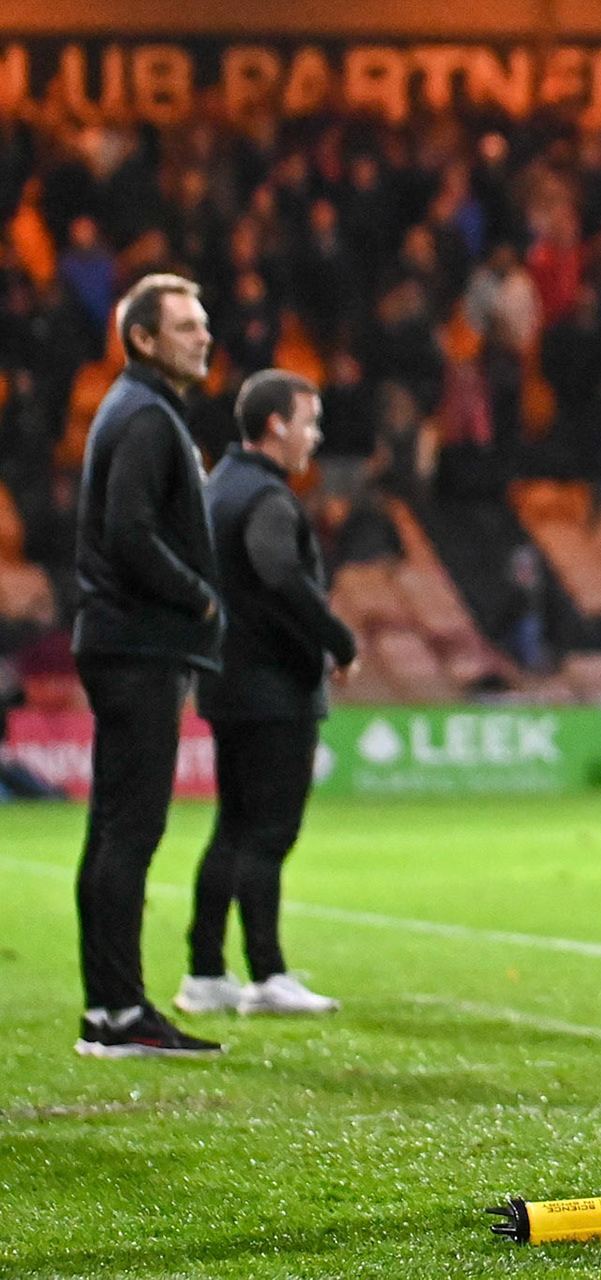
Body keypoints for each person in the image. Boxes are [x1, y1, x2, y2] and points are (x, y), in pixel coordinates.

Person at [72, 274, 226, 1057]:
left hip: (121, 640)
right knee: (130, 830)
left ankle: (109, 1009)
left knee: (113, 828)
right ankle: (121, 1011)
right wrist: (199, 597)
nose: (204, 336)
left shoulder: (138, 408)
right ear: (143, 338)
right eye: (187, 326)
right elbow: (129, 532)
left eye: (203, 323)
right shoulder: (145, 415)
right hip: (137, 643)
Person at [175, 370, 358, 1018]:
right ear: (277, 425)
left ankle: (205, 972)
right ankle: (269, 974)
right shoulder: (267, 498)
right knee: (268, 834)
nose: (316, 435)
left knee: (232, 827)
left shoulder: (218, 487)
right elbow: (277, 567)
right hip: (274, 689)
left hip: (226, 680)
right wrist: (338, 639)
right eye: (310, 421)